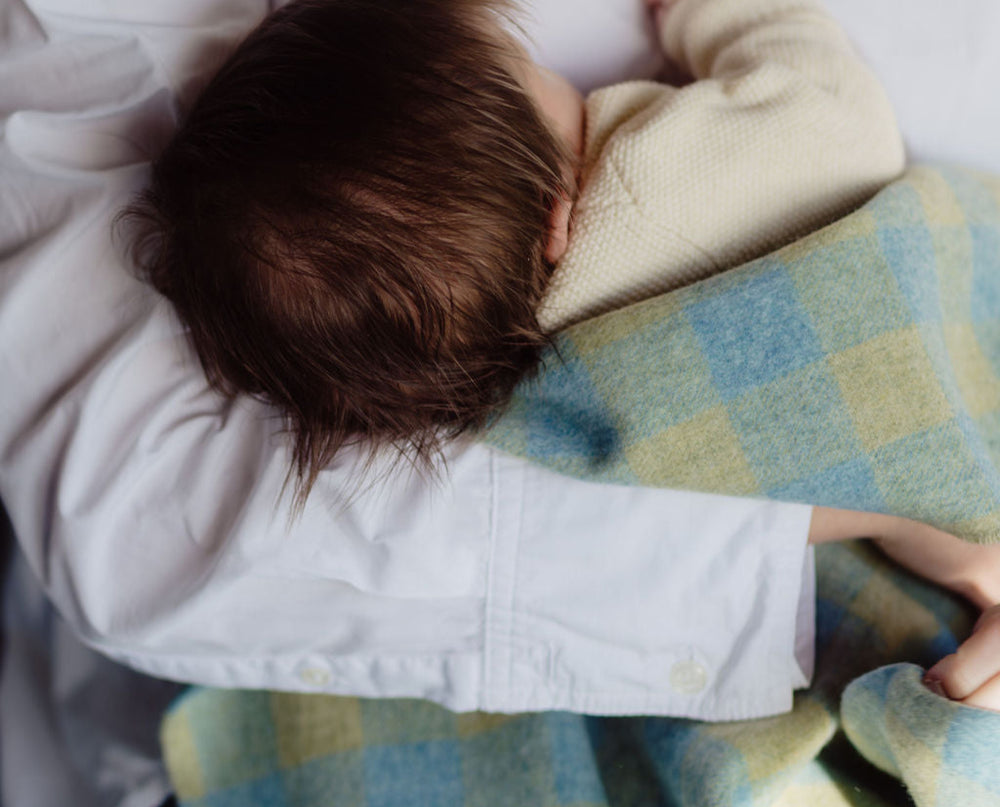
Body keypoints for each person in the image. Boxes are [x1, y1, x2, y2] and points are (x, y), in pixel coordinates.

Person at [127, 0, 1000, 692]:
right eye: (522, 67)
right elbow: (838, 110)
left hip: (922, 496)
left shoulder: (539, 399)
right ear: (555, 217)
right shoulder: (677, 169)